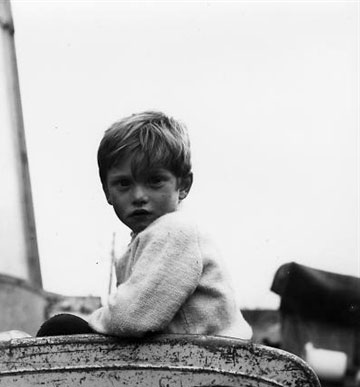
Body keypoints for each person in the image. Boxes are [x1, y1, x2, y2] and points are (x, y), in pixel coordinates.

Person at [37, 110, 252, 340]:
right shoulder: (150, 236)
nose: (139, 195)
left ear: (184, 185)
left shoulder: (174, 231)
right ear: (107, 192)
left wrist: (92, 322)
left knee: (62, 328)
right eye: (123, 184)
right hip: (186, 356)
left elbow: (129, 319)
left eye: (154, 181)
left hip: (210, 362)